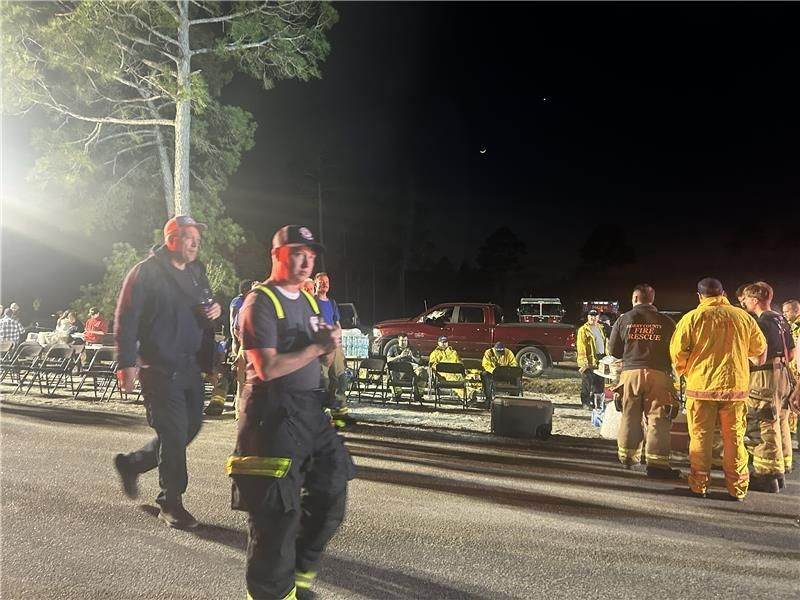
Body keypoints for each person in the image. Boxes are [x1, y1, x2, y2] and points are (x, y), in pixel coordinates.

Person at [229, 224, 354, 600]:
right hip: (270, 415)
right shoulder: (259, 302)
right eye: (297, 252)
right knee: (275, 521)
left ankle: (297, 582)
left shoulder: (312, 301)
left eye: (311, 255)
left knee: (331, 492)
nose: (306, 261)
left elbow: (324, 357)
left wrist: (330, 346)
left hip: (310, 412)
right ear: (277, 255)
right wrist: (317, 348)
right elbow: (266, 368)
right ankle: (271, 594)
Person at [112, 215, 221, 529]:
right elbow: (126, 318)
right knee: (173, 433)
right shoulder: (146, 272)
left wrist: (214, 310)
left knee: (189, 428)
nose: (195, 242)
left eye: (197, 237)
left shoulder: (197, 272)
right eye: (188, 236)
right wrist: (126, 363)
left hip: (189, 366)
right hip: (157, 367)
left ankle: (132, 464)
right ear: (172, 238)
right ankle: (170, 501)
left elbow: (205, 307)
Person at [670, 277, 767, 501]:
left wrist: (688, 371)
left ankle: (699, 485)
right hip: (735, 388)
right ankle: (737, 488)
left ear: (700, 296)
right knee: (734, 438)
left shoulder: (692, 318)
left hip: (700, 388)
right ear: (723, 293)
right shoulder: (743, 317)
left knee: (700, 438)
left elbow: (677, 353)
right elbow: (759, 350)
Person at [608, 284, 679, 478]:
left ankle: (628, 458)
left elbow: (613, 351)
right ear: (651, 299)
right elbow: (676, 351)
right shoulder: (666, 321)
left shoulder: (623, 320)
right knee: (658, 419)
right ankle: (657, 465)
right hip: (659, 375)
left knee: (629, 416)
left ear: (635, 299)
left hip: (630, 374)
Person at [741, 282, 795, 490]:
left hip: (765, 377)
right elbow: (790, 352)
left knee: (762, 422)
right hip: (783, 375)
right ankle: (780, 471)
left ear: (755, 300)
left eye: (745, 298)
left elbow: (757, 356)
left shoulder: (761, 323)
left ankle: (766, 476)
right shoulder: (781, 319)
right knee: (779, 421)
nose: (743, 302)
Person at [314, 272, 355, 428]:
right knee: (323, 381)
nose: (325, 284)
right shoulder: (312, 302)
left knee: (340, 380)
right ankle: (321, 414)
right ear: (316, 285)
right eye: (321, 282)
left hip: (335, 347)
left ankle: (340, 413)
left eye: (327, 282)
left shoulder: (331, 303)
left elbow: (337, 324)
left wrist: (338, 337)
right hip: (321, 348)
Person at [577, 309, 607, 409]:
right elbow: (581, 346)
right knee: (587, 382)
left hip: (601, 358)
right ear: (588, 317)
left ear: (598, 317)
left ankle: (596, 403)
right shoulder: (583, 330)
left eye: (595, 316)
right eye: (591, 316)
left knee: (599, 382)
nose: (593, 318)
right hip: (589, 359)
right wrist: (583, 361)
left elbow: (605, 342)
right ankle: (585, 403)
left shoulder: (601, 328)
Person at [386, 332, 423, 401]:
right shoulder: (393, 348)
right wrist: (400, 356)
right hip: (398, 369)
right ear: (398, 340)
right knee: (391, 372)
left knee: (422, 372)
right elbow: (388, 360)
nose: (404, 342)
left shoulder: (411, 348)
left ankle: (418, 395)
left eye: (405, 340)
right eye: (402, 340)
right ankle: (397, 393)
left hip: (410, 370)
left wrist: (412, 357)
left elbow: (419, 361)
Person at [480, 341, 518, 407]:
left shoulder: (508, 352)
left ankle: (513, 400)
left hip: (505, 374)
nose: (500, 354)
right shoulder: (488, 352)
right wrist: (493, 370)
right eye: (498, 352)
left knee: (515, 375)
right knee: (484, 374)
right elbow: (485, 365)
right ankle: (488, 399)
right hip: (493, 374)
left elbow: (514, 363)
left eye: (501, 352)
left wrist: (509, 370)